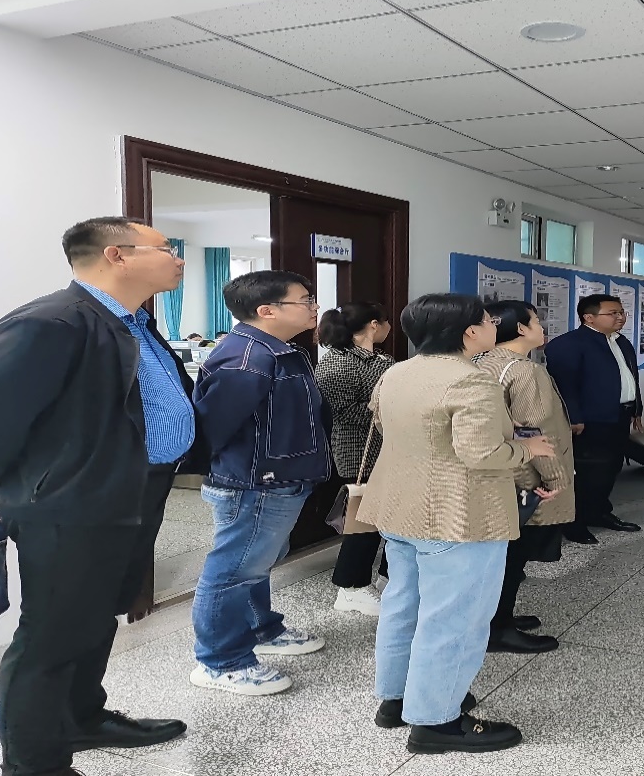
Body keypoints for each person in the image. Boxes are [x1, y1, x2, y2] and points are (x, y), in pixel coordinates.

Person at [0, 216, 205, 776]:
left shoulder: (134, 321)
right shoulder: (53, 322)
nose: (178, 259)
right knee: (51, 636)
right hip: (71, 504)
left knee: (96, 618)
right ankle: (34, 764)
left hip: (133, 490)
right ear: (117, 256)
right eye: (165, 249)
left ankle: (82, 717)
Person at [356, 294, 555, 754]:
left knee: (404, 605)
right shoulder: (472, 380)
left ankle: (397, 698)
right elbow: (482, 453)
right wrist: (529, 449)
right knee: (456, 618)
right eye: (487, 320)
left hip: (400, 507)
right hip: (459, 514)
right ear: (469, 332)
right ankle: (437, 721)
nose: (493, 325)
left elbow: (390, 428)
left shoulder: (396, 372)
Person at [189, 271, 332, 696]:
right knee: (233, 571)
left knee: (254, 564)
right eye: (305, 300)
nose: (314, 307)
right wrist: (249, 474)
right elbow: (212, 429)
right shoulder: (247, 358)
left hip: (276, 479)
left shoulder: (281, 351)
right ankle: (220, 661)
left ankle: (261, 629)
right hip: (254, 483)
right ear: (267, 310)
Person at [474, 301, 575, 655]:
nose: (541, 326)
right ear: (520, 328)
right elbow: (535, 431)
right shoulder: (524, 370)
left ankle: (497, 618)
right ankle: (497, 629)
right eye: (535, 320)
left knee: (499, 554)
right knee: (512, 555)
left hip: (494, 472)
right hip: (523, 476)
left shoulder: (483, 363)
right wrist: (555, 479)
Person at [315, 303, 395, 616]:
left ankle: (388, 578)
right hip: (357, 451)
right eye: (386, 321)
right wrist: (394, 407)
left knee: (387, 521)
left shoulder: (380, 358)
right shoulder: (337, 362)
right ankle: (351, 588)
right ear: (374, 324)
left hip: (387, 449)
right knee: (363, 524)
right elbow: (344, 411)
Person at [544, 294, 643, 545]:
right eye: (613, 313)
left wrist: (636, 410)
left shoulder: (620, 341)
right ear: (589, 317)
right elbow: (564, 386)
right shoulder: (568, 344)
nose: (620, 317)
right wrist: (574, 417)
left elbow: (630, 378)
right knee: (587, 473)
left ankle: (599, 512)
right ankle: (573, 523)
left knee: (610, 468)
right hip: (588, 421)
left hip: (619, 415)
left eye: (621, 312)